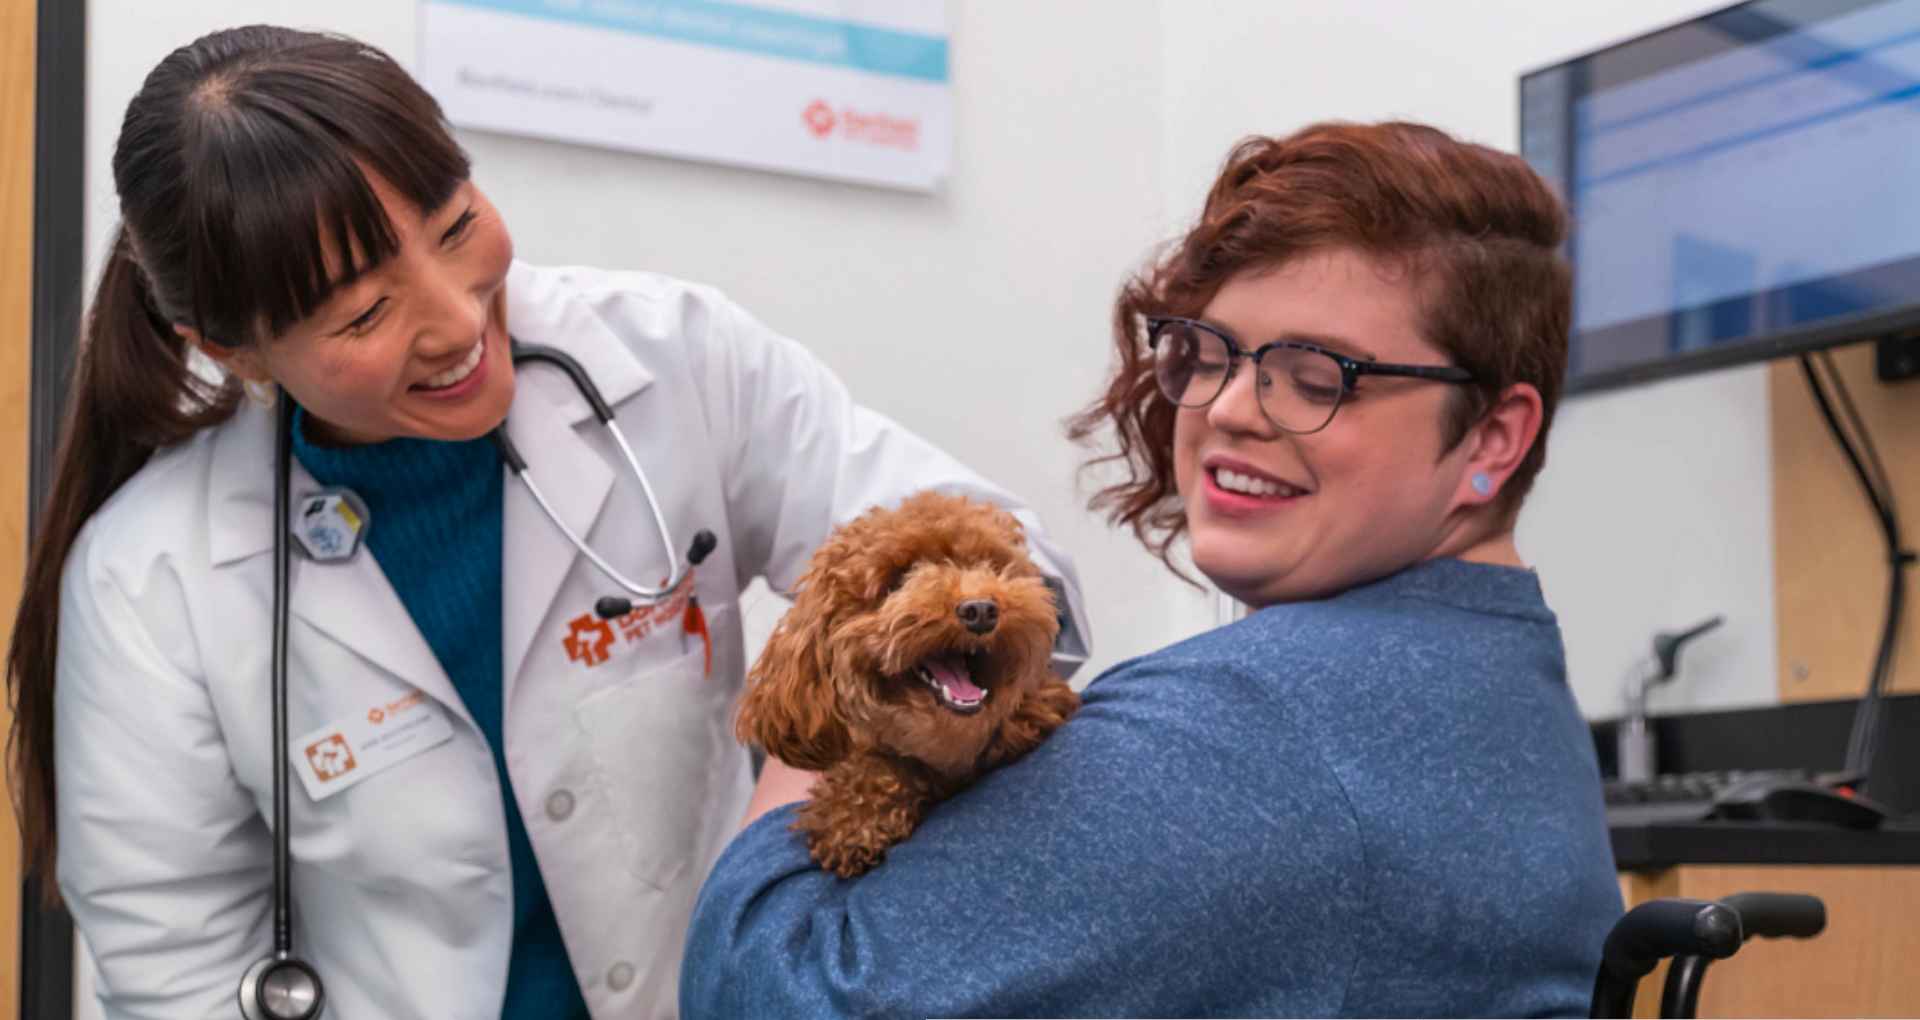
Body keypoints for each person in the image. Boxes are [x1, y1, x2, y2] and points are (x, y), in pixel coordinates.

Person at [3, 25, 1091, 1020]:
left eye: (455, 226)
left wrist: (789, 818)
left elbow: (1017, 567)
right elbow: (178, 976)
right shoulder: (152, 578)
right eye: (366, 312)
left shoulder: (673, 357)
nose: (455, 318)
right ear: (231, 348)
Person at [681, 120, 1622, 1018]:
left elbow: (778, 990)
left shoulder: (1244, 729)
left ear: (1493, 439)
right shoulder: (1501, 679)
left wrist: (840, 705)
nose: (1229, 409)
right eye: (1210, 355)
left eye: (1316, 376)